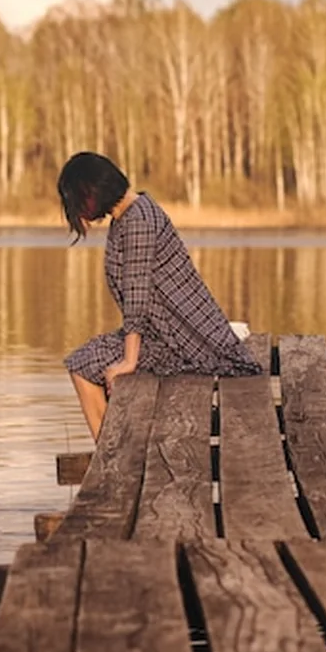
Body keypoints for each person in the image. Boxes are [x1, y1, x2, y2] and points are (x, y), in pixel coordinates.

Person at [57, 152, 262, 441]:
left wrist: (128, 362)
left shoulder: (137, 222)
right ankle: (115, 450)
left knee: (81, 365)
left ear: (91, 192)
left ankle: (111, 457)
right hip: (170, 336)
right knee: (86, 360)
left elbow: (137, 297)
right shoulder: (133, 212)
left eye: (76, 202)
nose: (77, 212)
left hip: (187, 346)